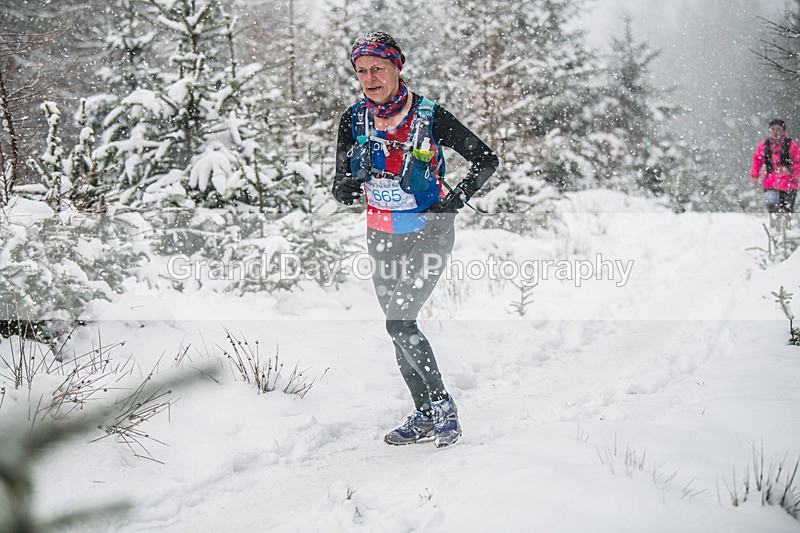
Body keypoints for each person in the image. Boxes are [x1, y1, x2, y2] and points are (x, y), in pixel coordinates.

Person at [332, 32, 499, 448]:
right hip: (382, 233)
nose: (370, 78)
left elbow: (485, 159)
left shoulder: (428, 114)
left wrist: (455, 200)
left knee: (400, 320)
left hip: (429, 231)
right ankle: (424, 413)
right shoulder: (353, 119)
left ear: (396, 67)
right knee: (397, 327)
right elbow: (339, 181)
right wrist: (347, 188)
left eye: (378, 68)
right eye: (361, 71)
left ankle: (442, 407)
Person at [750, 118, 800, 229]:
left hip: (788, 185)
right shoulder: (764, 145)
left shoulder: (792, 145)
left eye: (778, 129)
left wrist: (789, 169)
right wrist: (755, 174)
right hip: (770, 184)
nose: (775, 132)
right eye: (772, 130)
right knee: (772, 211)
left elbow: (798, 162)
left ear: (784, 131)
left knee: (786, 211)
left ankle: (786, 233)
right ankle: (775, 231)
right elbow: (757, 160)